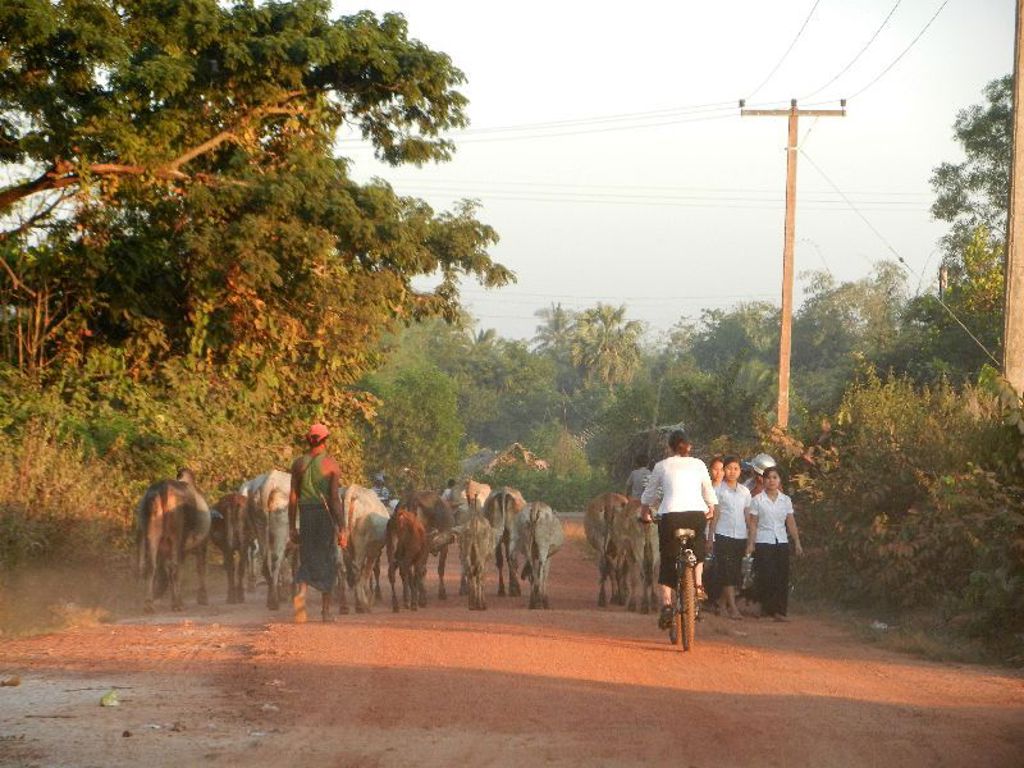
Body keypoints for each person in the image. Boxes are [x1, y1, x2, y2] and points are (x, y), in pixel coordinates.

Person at [640, 429, 718, 631]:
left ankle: (667, 603)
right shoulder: (699, 464)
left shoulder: (662, 466)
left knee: (667, 558)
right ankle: (698, 584)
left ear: (669, 447)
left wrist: (644, 513)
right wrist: (710, 508)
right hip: (696, 515)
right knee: (698, 547)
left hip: (671, 516)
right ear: (689, 447)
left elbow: (649, 494)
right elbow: (708, 491)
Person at [289, 423, 345, 623]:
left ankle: (301, 596)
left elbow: (293, 498)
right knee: (328, 559)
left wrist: (291, 527)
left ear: (308, 440)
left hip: (305, 516)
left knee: (307, 557)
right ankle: (326, 612)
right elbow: (335, 500)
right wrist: (342, 528)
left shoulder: (298, 464)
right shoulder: (331, 464)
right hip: (324, 515)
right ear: (325, 440)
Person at [745, 466, 803, 621]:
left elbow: (790, 522)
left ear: (779, 480)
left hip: (781, 541)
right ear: (763, 480)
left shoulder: (785, 500)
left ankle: (779, 610)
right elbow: (753, 524)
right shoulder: (757, 500)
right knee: (765, 575)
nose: (771, 481)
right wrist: (751, 543)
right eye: (768, 477)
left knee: (781, 576)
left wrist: (797, 542)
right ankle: (765, 608)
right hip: (764, 541)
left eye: (775, 477)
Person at [709, 456, 752, 620]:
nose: (732, 472)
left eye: (736, 468)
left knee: (734, 572)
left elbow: (747, 515)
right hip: (722, 534)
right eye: (729, 468)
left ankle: (720, 603)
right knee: (726, 570)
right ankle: (733, 608)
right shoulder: (718, 490)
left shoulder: (745, 491)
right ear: (724, 470)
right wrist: (710, 537)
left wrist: (750, 537)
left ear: (740, 471)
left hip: (740, 535)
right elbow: (716, 515)